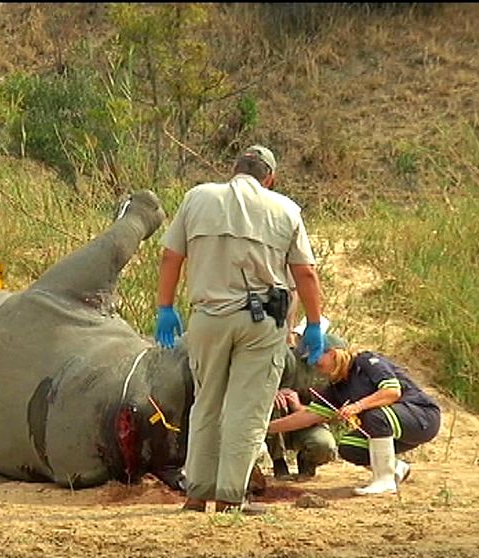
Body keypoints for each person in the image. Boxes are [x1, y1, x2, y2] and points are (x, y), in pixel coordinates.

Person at [154, 144, 326, 515]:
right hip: (260, 324)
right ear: (270, 178)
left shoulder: (197, 198)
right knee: (246, 410)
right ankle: (232, 496)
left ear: (233, 170)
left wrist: (165, 307)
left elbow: (170, 256)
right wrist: (313, 323)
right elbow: (305, 273)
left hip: (208, 318)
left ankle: (197, 493)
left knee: (206, 404)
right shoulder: (284, 209)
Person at [267, 343, 442, 495]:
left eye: (318, 362)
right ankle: (396, 468)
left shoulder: (366, 362)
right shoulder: (336, 387)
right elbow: (309, 416)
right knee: (349, 446)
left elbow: (391, 392)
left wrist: (357, 406)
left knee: (374, 415)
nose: (315, 368)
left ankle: (384, 480)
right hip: (390, 426)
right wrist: (265, 428)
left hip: (421, 416)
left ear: (333, 353)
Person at [266, 329, 345, 481]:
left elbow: (333, 415)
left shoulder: (336, 374)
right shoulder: (287, 358)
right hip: (277, 420)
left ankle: (307, 463)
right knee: (274, 405)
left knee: (324, 445)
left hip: (308, 423)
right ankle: (278, 462)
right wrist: (273, 393)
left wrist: (299, 407)